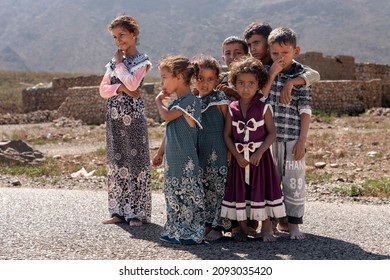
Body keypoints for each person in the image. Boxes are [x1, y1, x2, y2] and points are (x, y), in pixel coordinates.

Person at [220, 56, 286, 242]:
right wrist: (236, 155)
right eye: (241, 83)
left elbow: (271, 133)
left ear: (259, 84)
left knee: (262, 191)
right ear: (234, 84)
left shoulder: (264, 107)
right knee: (240, 192)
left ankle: (266, 228)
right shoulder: (232, 108)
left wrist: (258, 153)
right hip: (239, 159)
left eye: (251, 83)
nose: (246, 88)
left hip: (260, 159)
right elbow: (227, 135)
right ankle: (243, 229)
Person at [99, 15, 152, 227]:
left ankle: (137, 212)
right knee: (117, 162)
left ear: (133, 34)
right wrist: (119, 88)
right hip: (114, 119)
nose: (118, 40)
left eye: (121, 35)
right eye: (114, 36)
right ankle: (118, 211)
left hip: (134, 119)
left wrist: (120, 66)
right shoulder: (112, 63)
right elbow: (103, 90)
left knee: (135, 161)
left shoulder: (142, 62)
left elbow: (133, 84)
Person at [152, 55, 205, 245]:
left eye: (165, 77)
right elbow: (170, 130)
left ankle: (192, 231)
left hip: (185, 159)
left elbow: (166, 117)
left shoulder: (190, 102)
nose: (162, 82)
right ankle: (176, 229)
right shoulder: (177, 103)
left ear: (180, 76)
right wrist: (160, 152)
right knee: (174, 193)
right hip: (173, 159)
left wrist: (158, 101)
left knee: (188, 194)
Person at [266, 27, 312, 240]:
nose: (280, 58)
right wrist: (273, 75)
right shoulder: (266, 72)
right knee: (271, 181)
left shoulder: (301, 76)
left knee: (294, 182)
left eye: (285, 53)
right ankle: (273, 223)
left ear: (296, 51)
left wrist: (302, 141)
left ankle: (294, 225)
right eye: (275, 53)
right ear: (270, 52)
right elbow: (260, 98)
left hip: (293, 138)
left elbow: (305, 111)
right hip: (269, 139)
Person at [191, 55, 231, 242]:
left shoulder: (220, 97)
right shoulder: (194, 100)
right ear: (194, 79)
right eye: (200, 79)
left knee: (219, 186)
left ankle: (219, 226)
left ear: (216, 80)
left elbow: (228, 123)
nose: (205, 84)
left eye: (210, 79)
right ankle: (207, 223)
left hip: (220, 150)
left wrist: (230, 149)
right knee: (204, 186)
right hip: (201, 149)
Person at [243, 21, 320, 104]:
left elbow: (314, 75)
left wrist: (291, 82)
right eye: (249, 45)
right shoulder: (253, 66)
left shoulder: (283, 62)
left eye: (256, 43)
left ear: (269, 42)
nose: (252, 49)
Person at [216, 36, 249, 100]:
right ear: (223, 58)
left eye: (238, 53)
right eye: (228, 53)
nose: (232, 56)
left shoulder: (253, 77)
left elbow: (253, 103)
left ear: (247, 56)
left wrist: (233, 93)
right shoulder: (221, 79)